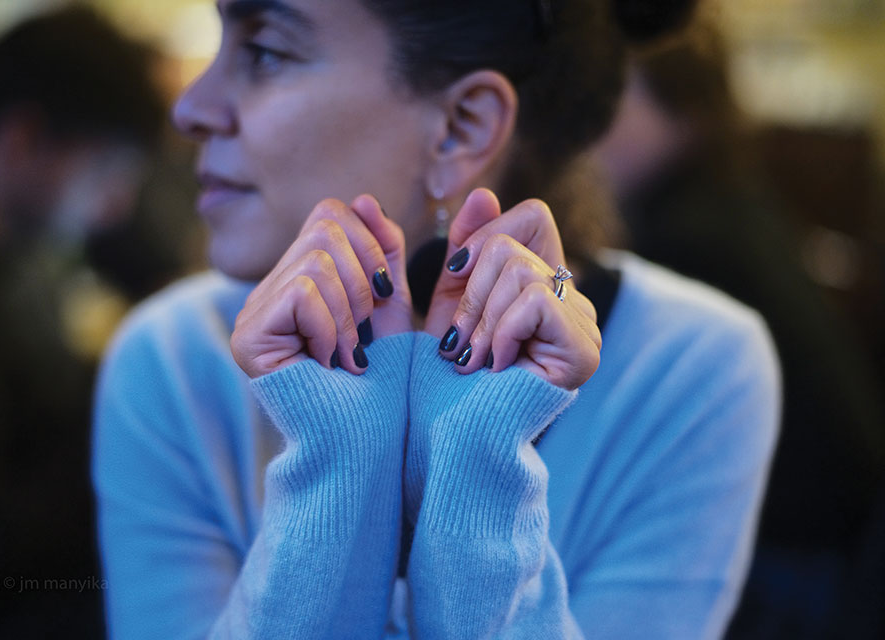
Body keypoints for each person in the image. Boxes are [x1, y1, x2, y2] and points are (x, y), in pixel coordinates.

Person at [92, 1, 779, 637]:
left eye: (266, 50)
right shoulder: (171, 360)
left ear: (461, 128)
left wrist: (480, 449)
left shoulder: (696, 368)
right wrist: (341, 452)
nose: (189, 108)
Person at [591, 25, 885, 638]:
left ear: (678, 112)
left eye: (618, 100)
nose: (597, 130)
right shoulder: (727, 199)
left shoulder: (687, 238)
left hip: (798, 554)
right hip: (835, 531)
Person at [0, 6, 164, 637]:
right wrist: (121, 408)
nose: (116, 206)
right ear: (22, 140)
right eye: (107, 171)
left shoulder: (11, 263)